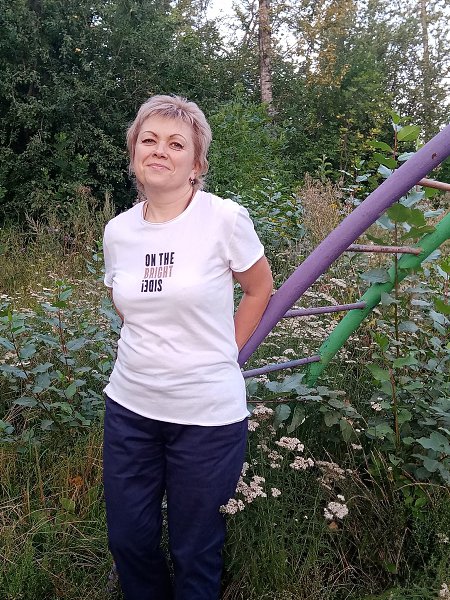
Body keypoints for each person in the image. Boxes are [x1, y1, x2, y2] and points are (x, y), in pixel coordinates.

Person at [102, 94, 273, 600]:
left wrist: (226, 352)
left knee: (195, 549)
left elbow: (259, 288)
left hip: (206, 419)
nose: (160, 150)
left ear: (196, 165)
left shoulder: (224, 219)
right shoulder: (118, 231)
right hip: (130, 409)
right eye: (149, 140)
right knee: (129, 539)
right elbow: (125, 305)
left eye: (177, 144)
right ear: (134, 153)